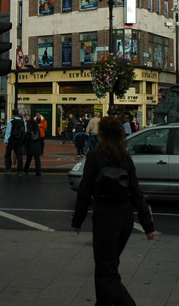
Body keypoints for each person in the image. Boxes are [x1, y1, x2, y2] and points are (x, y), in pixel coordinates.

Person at [71, 116, 157, 305]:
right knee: (108, 266)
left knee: (106, 271)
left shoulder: (94, 156)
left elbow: (85, 190)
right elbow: (136, 193)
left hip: (105, 218)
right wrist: (147, 225)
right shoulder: (125, 158)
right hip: (124, 218)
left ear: (101, 134)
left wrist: (77, 221)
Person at [4, 107, 26, 175]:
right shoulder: (23, 121)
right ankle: (19, 170)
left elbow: (8, 132)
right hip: (19, 141)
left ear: (12, 114)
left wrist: (6, 140)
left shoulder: (11, 121)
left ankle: (8, 168)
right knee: (19, 155)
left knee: (8, 154)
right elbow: (25, 131)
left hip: (12, 140)